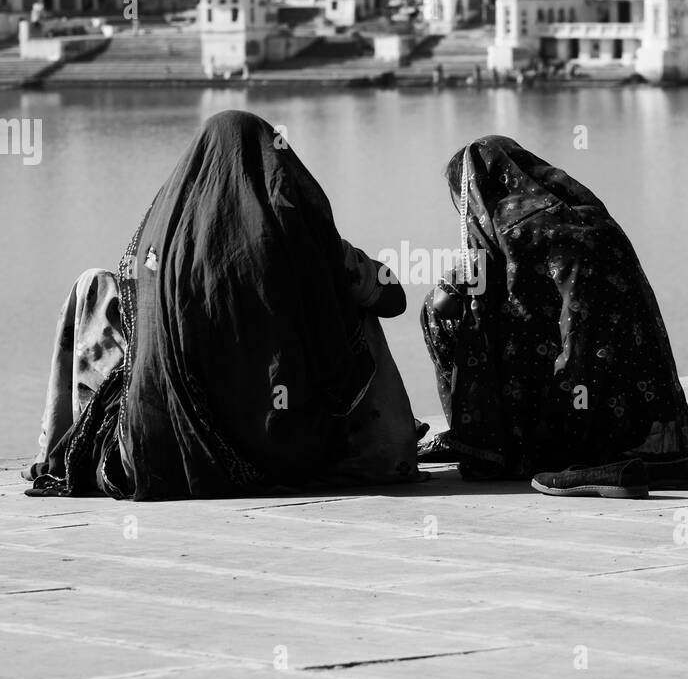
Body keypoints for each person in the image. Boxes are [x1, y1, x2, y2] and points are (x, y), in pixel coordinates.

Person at [26, 110, 419, 499]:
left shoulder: (159, 242)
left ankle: (53, 450)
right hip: (293, 452)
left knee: (93, 285)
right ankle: (385, 448)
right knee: (350, 302)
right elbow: (394, 299)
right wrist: (338, 265)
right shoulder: (301, 239)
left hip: (159, 453)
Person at [420, 135, 688, 490]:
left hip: (570, 411)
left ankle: (485, 441)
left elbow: (450, 306)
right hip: (640, 407)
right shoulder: (585, 212)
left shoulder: (514, 230)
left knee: (438, 311)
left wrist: (455, 289)